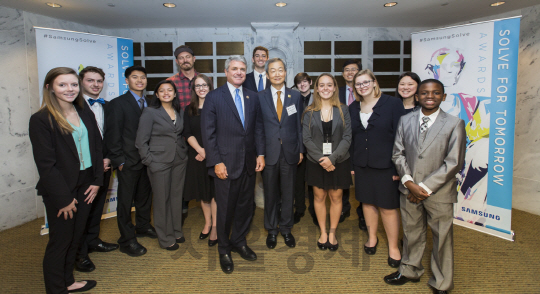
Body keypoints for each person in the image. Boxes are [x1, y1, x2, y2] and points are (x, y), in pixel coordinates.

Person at [384, 79, 466, 294]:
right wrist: (409, 183)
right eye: (425, 93)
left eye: (436, 93)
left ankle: (442, 282)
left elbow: (454, 161)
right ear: (417, 96)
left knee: (441, 238)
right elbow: (398, 153)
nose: (430, 96)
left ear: (444, 96)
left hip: (438, 192)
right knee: (411, 232)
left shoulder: (454, 123)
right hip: (408, 189)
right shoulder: (405, 120)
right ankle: (410, 270)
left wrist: (425, 187)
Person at [29, 67, 103, 293]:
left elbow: (96, 147)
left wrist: (97, 179)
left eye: (73, 84)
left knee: (76, 237)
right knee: (60, 242)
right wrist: (63, 199)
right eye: (63, 85)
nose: (69, 89)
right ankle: (56, 288)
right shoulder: (41, 119)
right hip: (61, 188)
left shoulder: (83, 111)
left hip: (86, 182)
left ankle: (68, 281)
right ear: (50, 87)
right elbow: (46, 165)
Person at [201, 55, 265, 274]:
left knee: (246, 207)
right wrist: (216, 161)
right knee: (226, 210)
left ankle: (239, 242)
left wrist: (260, 154)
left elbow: (257, 129)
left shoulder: (252, 97)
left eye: (242, 69)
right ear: (226, 71)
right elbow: (208, 134)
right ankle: (224, 249)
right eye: (234, 68)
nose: (239, 72)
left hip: (248, 163)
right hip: (225, 165)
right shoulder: (213, 97)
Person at [349, 69, 405, 267]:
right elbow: (353, 138)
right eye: (358, 84)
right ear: (354, 87)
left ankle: (393, 247)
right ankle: (372, 237)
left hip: (387, 165)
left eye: (366, 82)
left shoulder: (392, 104)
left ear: (374, 82)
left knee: (388, 207)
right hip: (362, 165)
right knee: (367, 203)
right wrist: (352, 164)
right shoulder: (353, 107)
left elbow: (402, 137)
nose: (362, 86)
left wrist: (400, 168)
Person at [106, 65, 157, 257]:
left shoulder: (151, 103)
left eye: (143, 77)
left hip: (148, 160)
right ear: (127, 81)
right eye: (135, 77)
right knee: (126, 202)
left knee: (145, 197)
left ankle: (143, 226)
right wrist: (119, 160)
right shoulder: (117, 104)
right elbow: (113, 134)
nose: (140, 81)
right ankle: (126, 239)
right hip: (128, 161)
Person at [135, 80, 188, 250]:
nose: (166, 93)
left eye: (170, 90)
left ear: (174, 93)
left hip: (179, 160)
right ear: (156, 94)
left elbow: (178, 135)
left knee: (176, 198)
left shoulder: (178, 111)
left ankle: (176, 230)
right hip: (158, 162)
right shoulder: (150, 112)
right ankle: (165, 238)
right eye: (162, 90)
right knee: (161, 200)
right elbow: (140, 141)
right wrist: (149, 161)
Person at [75, 66, 119, 273]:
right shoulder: (72, 107)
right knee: (82, 211)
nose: (95, 85)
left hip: (105, 164)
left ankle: (93, 240)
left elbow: (111, 136)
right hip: (83, 169)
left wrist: (108, 158)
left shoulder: (108, 106)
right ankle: (79, 253)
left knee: (97, 206)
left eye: (99, 81)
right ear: (81, 82)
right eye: (90, 80)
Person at [303, 73, 352, 251]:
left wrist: (332, 159)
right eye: (321, 85)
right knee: (319, 197)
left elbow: (347, 137)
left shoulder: (343, 110)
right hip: (316, 162)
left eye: (329, 85)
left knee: (336, 197)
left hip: (339, 161)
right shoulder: (309, 111)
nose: (325, 88)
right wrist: (322, 160)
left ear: (334, 88)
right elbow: (306, 139)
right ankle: (323, 232)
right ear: (316, 88)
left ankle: (332, 232)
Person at [259, 58, 303, 249]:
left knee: (288, 193)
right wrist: (259, 153)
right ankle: (271, 229)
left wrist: (301, 149)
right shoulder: (259, 97)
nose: (277, 74)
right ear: (267, 75)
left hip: (290, 152)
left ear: (285, 73)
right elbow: (258, 128)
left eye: (280, 70)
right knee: (270, 193)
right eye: (272, 71)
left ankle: (286, 229)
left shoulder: (296, 96)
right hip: (269, 153)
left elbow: (298, 126)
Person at [183, 74, 218, 246]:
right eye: (198, 86)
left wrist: (208, 152)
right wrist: (200, 150)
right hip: (196, 156)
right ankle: (207, 223)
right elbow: (187, 133)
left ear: (210, 87)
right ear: (193, 89)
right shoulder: (189, 109)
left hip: (215, 156)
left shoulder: (218, 107)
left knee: (215, 193)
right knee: (203, 194)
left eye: (204, 85)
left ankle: (216, 226)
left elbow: (221, 133)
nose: (201, 88)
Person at [338, 59, 365, 228]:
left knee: (362, 177)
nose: (350, 72)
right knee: (342, 175)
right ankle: (344, 207)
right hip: (341, 140)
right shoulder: (337, 91)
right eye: (347, 70)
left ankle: (363, 212)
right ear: (342, 74)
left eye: (353, 69)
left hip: (361, 140)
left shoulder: (365, 91)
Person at [292, 73, 314, 225]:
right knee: (298, 181)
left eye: (305, 81)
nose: (302, 85)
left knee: (313, 180)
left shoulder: (318, 98)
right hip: (298, 146)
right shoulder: (292, 99)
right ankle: (299, 208)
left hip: (314, 146)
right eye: (299, 82)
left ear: (310, 82)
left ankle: (314, 209)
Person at [167, 45, 199, 110]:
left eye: (188, 57)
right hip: (179, 119)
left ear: (194, 59)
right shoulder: (170, 82)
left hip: (200, 119)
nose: (185, 60)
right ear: (177, 62)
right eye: (181, 58)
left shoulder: (204, 80)